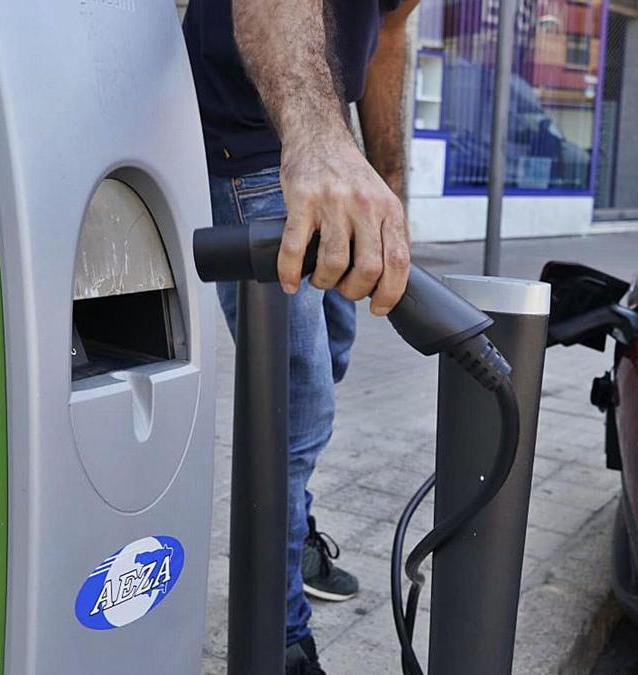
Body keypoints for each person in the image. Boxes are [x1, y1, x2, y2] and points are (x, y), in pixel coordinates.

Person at [183, 0, 418, 672]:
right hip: (251, 151)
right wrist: (314, 138)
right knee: (293, 410)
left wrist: (390, 183)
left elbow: (392, 29)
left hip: (329, 153)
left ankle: (293, 528)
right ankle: (279, 636)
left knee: (328, 366)